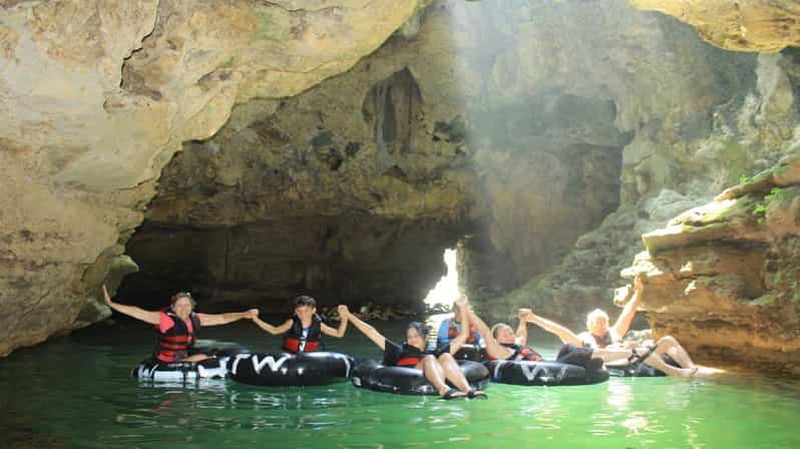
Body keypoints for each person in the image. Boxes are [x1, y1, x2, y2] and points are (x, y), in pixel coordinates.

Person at [519, 274, 717, 377]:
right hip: (614, 362)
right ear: (589, 324)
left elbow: (629, 312)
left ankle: (691, 368)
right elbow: (557, 329)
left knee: (667, 340)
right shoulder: (583, 338)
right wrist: (534, 318)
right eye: (597, 321)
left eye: (604, 320)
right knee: (626, 347)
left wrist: (639, 291)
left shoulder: (614, 331)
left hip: (635, 357)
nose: (602, 323)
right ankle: (676, 372)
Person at [342, 295, 486, 400]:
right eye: (409, 337)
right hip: (408, 374)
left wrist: (462, 308)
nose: (411, 340)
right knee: (430, 358)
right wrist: (349, 316)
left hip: (432, 367)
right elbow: (371, 332)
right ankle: (444, 390)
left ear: (425, 338)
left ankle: (468, 390)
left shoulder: (434, 352)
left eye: (416, 336)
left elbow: (463, 335)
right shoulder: (399, 350)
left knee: (446, 356)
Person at [102, 285, 258, 363]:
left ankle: (191, 360)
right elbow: (138, 312)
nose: (184, 308)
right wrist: (112, 304)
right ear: (173, 307)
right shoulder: (165, 319)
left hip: (182, 354)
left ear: (192, 306)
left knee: (215, 351)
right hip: (166, 359)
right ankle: (188, 362)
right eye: (180, 306)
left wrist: (244, 314)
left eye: (187, 305)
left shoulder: (196, 318)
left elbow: (222, 318)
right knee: (206, 356)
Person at [251, 295, 349, 353]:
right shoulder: (291, 322)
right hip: (290, 355)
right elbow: (274, 331)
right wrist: (256, 319)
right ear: (295, 311)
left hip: (310, 356)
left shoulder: (319, 325)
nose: (302, 314)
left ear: (313, 310)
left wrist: (344, 318)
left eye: (306, 311)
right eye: (299, 311)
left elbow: (338, 334)